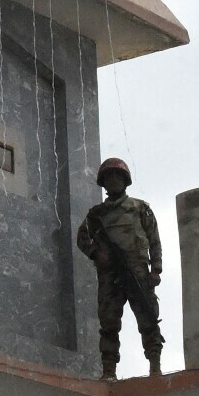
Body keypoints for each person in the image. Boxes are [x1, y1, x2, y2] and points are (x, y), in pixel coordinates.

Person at [75, 157, 164, 380]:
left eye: (118, 176)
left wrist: (156, 270)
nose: (113, 180)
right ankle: (109, 371)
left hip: (138, 274)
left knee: (148, 317)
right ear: (103, 183)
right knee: (109, 323)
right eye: (109, 177)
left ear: (125, 180)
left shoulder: (140, 208)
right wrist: (96, 253)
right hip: (110, 276)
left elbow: (154, 240)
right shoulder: (96, 215)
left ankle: (155, 366)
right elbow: (82, 237)